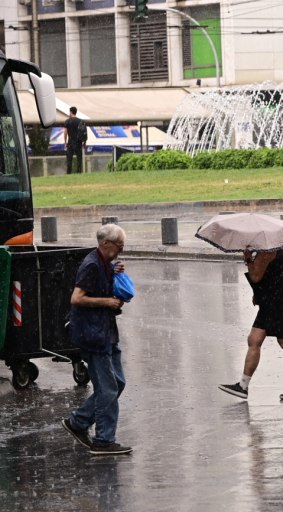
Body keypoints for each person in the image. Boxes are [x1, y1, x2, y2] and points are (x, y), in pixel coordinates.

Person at [62, 224, 132, 455]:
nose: (121, 250)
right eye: (119, 246)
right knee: (108, 390)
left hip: (106, 332)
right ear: (105, 244)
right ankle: (103, 441)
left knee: (117, 383)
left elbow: (102, 284)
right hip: (93, 335)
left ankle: (78, 422)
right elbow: (77, 298)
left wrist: (115, 272)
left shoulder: (104, 263)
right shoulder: (91, 265)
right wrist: (107, 302)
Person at [218, 248, 283, 401]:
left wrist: (248, 259)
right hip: (273, 299)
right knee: (255, 339)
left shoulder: (268, 250)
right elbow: (270, 273)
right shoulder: (272, 247)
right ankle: (243, 386)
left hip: (276, 301)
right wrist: (259, 293)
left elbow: (256, 276)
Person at [64, 106, 85, 174]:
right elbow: (83, 132)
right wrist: (83, 141)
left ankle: (69, 172)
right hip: (78, 142)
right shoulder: (80, 121)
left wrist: (65, 142)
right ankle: (79, 172)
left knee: (69, 158)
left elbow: (65, 132)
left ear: (70, 112)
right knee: (79, 158)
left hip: (71, 142)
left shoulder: (67, 121)